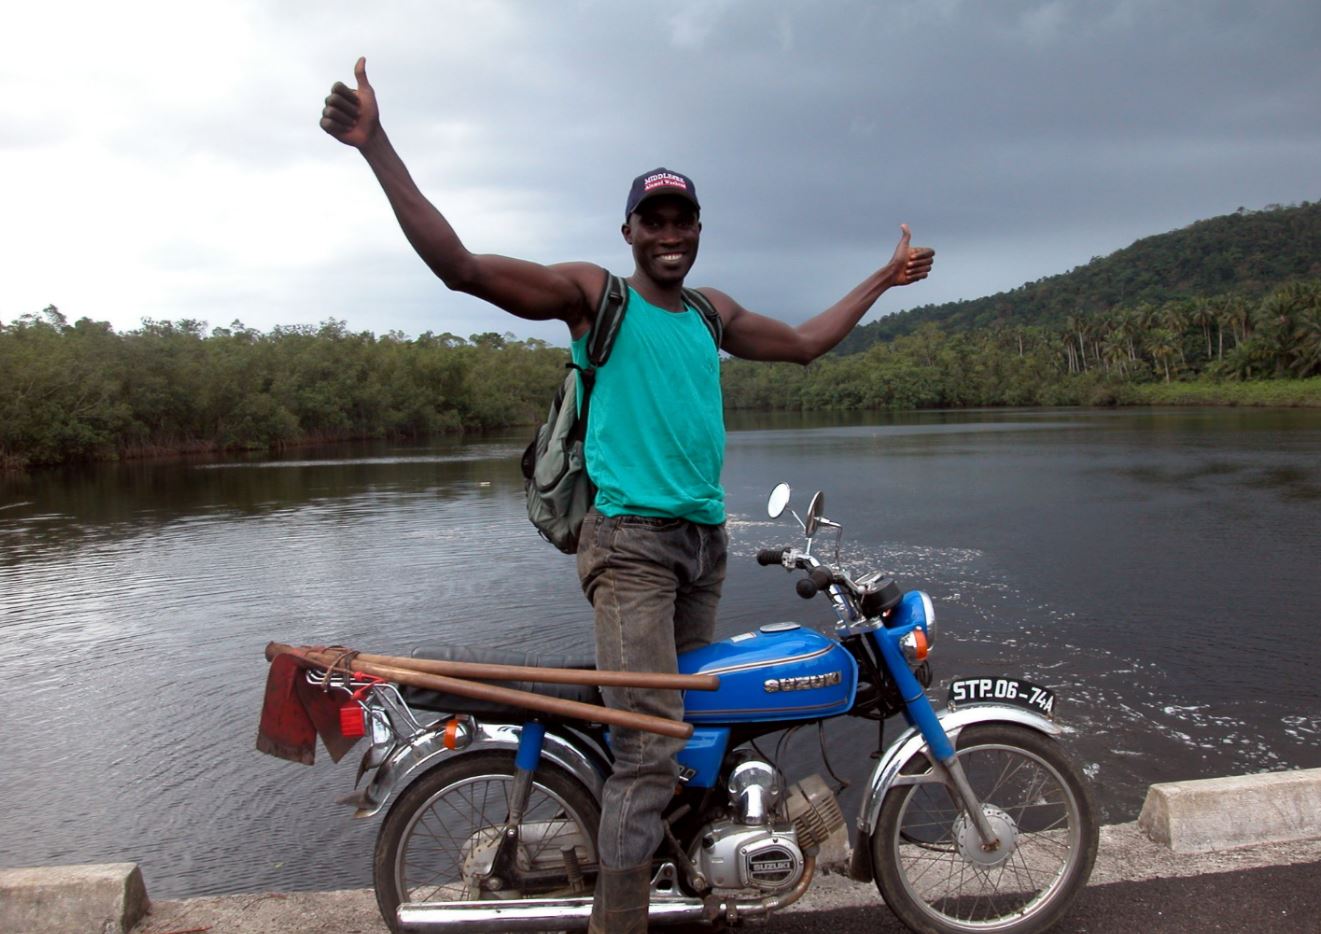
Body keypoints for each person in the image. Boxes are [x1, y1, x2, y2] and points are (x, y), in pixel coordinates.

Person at [320, 56, 934, 934]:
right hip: (631, 549)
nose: (670, 230)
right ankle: (619, 921)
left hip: (699, 549)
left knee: (690, 735)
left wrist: (882, 277)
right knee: (650, 748)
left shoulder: (708, 314)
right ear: (630, 231)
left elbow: (802, 344)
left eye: (683, 216)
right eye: (655, 218)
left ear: (697, 229)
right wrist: (376, 144)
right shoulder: (594, 299)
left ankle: (688, 881)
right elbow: (458, 266)